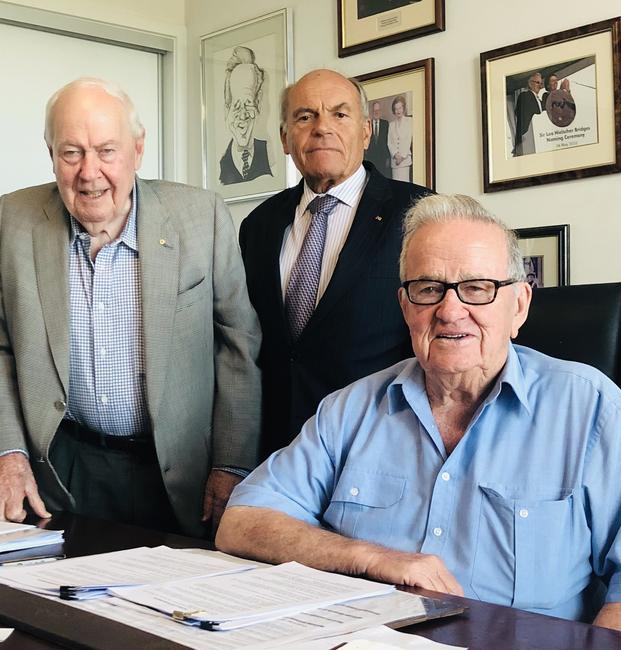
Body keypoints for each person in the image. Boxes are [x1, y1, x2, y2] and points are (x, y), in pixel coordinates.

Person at [219, 193, 621, 636]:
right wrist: (372, 557)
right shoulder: (350, 409)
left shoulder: (592, 412)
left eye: (477, 288)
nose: (449, 310)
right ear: (406, 307)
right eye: (428, 288)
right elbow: (243, 522)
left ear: (519, 305)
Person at [0, 78, 262, 537]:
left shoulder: (201, 218)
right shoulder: (12, 220)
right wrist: (9, 452)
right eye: (71, 152)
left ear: (137, 151)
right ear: (51, 155)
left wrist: (232, 464)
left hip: (180, 472)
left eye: (106, 151)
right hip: (63, 467)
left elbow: (239, 343)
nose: (89, 172)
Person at [238, 69, 429, 458]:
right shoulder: (257, 226)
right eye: (305, 116)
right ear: (285, 138)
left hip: (381, 444)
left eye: (340, 114)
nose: (322, 128)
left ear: (366, 131)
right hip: (277, 450)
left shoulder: (418, 215)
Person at [219, 46, 272, 185]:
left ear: (258, 104)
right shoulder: (221, 164)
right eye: (236, 105)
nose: (242, 116)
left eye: (248, 104)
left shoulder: (271, 158)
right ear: (227, 110)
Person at [513, 72, 542, 156]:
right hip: (526, 136)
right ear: (530, 83)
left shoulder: (539, 100)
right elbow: (518, 113)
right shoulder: (525, 96)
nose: (540, 86)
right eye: (537, 83)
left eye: (541, 83)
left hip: (538, 139)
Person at [387, 95, 413, 181]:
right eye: (396, 108)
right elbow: (389, 142)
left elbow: (408, 140)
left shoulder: (409, 121)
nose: (398, 111)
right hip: (395, 163)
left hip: (405, 162)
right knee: (396, 187)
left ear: (404, 108)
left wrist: (401, 156)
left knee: (405, 186)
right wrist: (395, 155)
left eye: (400, 108)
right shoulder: (391, 124)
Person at [364, 101, 390, 176]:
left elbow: (388, 141)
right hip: (371, 158)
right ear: (372, 111)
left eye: (378, 110)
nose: (376, 112)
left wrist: (388, 158)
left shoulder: (385, 124)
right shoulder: (367, 125)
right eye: (375, 110)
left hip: (383, 158)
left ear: (380, 111)